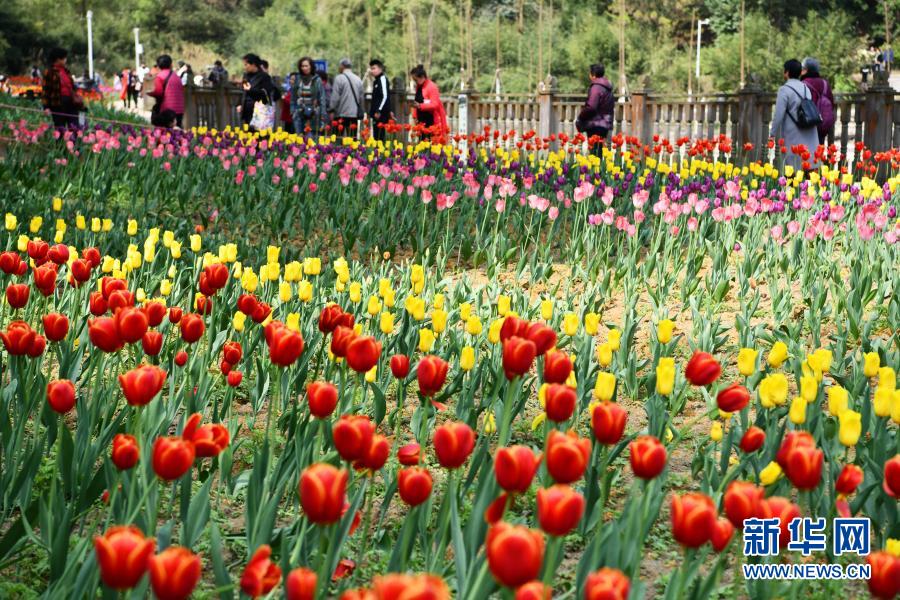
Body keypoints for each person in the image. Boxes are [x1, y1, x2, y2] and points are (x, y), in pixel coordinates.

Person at [770, 59, 820, 170]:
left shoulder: (784, 90)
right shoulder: (806, 88)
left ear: (787, 72)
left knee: (793, 169)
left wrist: (772, 134)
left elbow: (778, 115)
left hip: (793, 133)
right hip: (809, 130)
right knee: (808, 166)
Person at [576, 63, 615, 154]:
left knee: (595, 154)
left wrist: (581, 117)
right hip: (604, 124)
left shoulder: (596, 88)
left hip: (595, 124)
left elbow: (591, 107)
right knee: (599, 153)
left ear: (592, 75)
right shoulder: (608, 88)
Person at [41, 47, 81, 129]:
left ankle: (73, 142)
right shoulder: (49, 72)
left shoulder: (66, 71)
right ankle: (61, 142)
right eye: (64, 58)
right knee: (60, 128)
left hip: (71, 102)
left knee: (74, 127)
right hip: (58, 103)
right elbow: (46, 90)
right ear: (58, 59)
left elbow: (71, 86)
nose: (65, 60)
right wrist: (46, 106)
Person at [238, 53, 280, 129]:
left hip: (260, 111)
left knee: (259, 136)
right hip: (246, 109)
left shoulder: (264, 77)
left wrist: (251, 90)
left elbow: (266, 93)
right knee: (247, 136)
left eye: (246, 64)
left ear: (253, 64)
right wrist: (240, 104)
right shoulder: (246, 76)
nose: (245, 67)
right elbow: (243, 91)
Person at [800, 57, 836, 145]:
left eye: (802, 68)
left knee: (805, 153)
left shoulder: (803, 84)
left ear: (806, 70)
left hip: (807, 124)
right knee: (818, 152)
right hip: (821, 124)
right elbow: (831, 102)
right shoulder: (825, 83)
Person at [409, 64, 448, 141]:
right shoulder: (419, 86)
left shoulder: (432, 87)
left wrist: (420, 106)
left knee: (432, 146)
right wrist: (415, 115)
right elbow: (417, 101)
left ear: (422, 77)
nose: (415, 82)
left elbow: (435, 104)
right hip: (422, 122)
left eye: (416, 80)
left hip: (432, 122)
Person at [291, 56, 327, 137]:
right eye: (302, 66)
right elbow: (293, 97)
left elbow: (322, 99)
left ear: (311, 66)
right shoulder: (297, 79)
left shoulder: (317, 80)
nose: (304, 68)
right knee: (299, 140)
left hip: (313, 115)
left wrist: (323, 116)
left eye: (306, 66)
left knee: (311, 139)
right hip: (299, 114)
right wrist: (292, 111)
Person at [329, 58, 364, 135]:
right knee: (352, 139)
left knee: (337, 139)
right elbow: (361, 98)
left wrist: (331, 109)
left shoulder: (339, 78)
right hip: (354, 115)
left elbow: (335, 97)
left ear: (342, 66)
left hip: (341, 114)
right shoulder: (358, 79)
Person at [149, 54, 185, 128]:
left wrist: (150, 93)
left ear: (158, 65)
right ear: (171, 64)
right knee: (177, 133)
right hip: (179, 109)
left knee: (165, 134)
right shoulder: (176, 76)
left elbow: (158, 92)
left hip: (166, 111)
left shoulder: (160, 76)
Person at [368, 59, 393, 141]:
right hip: (377, 114)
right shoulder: (376, 81)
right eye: (371, 68)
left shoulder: (382, 79)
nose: (372, 71)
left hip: (380, 114)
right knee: (376, 136)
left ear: (380, 69)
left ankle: (380, 153)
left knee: (380, 137)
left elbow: (385, 96)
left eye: (374, 68)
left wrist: (378, 110)